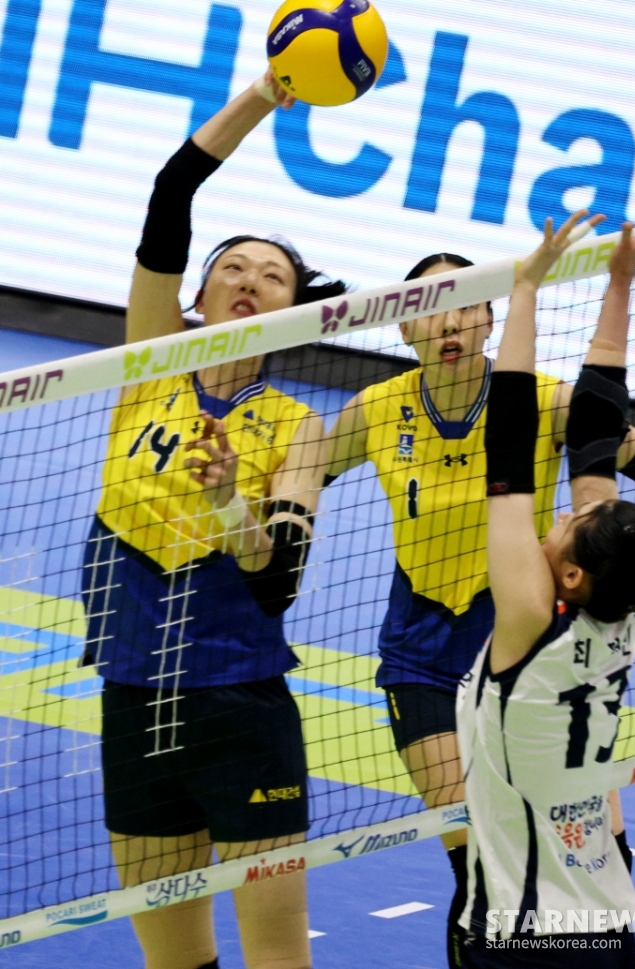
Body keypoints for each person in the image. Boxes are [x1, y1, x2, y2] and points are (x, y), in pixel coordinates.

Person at [325, 219, 635, 964]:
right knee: (475, 856)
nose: (450, 321)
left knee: (589, 848)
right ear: (405, 325)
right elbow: (297, 482)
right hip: (423, 650)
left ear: (490, 319)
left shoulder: (546, 403)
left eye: (467, 304)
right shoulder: (375, 410)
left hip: (516, 634)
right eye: (432, 307)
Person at [80, 71, 344, 969]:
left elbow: (279, 582)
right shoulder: (149, 362)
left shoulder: (299, 427)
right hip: (132, 697)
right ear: (197, 296)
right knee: (174, 961)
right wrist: (266, 93)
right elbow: (172, 192)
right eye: (232, 266)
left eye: (272, 276)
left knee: (277, 956)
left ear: (290, 314)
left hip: (241, 708)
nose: (249, 280)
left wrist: (232, 502)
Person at [457, 203, 635, 968]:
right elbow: (595, 425)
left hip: (525, 937)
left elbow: (510, 436)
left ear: (570, 573)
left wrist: (525, 289)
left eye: (569, 522)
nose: (561, 513)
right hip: (607, 916)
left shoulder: (528, 614)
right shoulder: (619, 608)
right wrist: (620, 281)